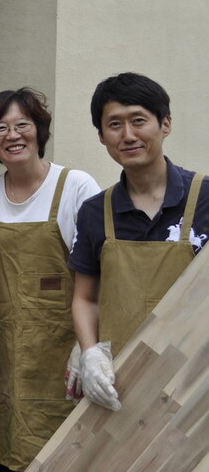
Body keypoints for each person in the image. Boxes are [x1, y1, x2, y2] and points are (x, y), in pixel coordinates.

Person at [0, 88, 100, 472]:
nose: (12, 135)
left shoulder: (76, 187)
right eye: (0, 127)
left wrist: (89, 349)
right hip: (1, 356)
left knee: (65, 455)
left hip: (62, 355)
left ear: (40, 130)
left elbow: (100, 279)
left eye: (23, 124)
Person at [68, 73, 209, 412]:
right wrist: (89, 353)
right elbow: (86, 298)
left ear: (165, 124)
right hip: (122, 382)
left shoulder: (205, 198)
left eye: (138, 121)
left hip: (197, 382)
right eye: (114, 124)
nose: (128, 135)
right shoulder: (94, 212)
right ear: (102, 136)